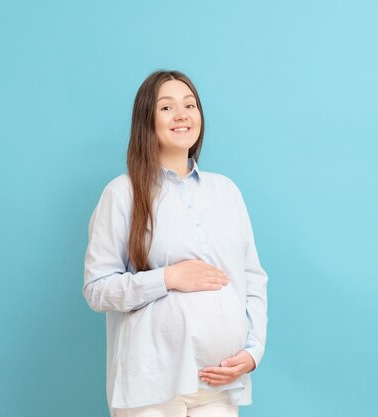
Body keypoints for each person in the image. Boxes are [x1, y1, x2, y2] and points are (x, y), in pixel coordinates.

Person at [83, 69, 268, 417]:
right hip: (150, 386)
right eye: (167, 107)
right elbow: (96, 289)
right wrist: (168, 278)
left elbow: (253, 279)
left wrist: (253, 351)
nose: (182, 114)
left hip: (219, 384)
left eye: (190, 105)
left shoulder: (225, 191)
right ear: (146, 120)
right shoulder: (122, 193)